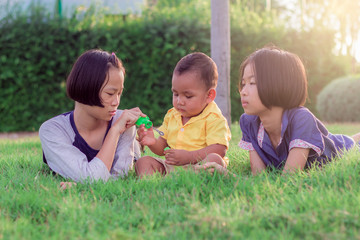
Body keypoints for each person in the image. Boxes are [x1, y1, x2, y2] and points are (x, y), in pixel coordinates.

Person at [196, 46, 360, 176]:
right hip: (332, 138)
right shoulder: (248, 121)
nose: (243, 91)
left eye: (252, 83)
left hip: (341, 148)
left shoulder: (301, 118)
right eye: (243, 83)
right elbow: (259, 178)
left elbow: (289, 177)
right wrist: (226, 175)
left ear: (279, 84)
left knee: (350, 142)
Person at [39, 49, 145, 183]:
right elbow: (93, 178)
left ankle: (136, 148)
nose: (116, 102)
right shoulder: (52, 131)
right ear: (86, 88)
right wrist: (115, 131)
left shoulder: (123, 123)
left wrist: (116, 130)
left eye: (119, 93)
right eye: (110, 94)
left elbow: (120, 178)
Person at [135, 52, 231, 177]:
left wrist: (189, 157)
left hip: (199, 166)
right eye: (175, 94)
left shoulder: (214, 118)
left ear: (209, 95)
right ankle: (153, 187)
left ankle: (192, 182)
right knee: (144, 162)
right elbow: (162, 148)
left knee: (214, 160)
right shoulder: (172, 115)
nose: (179, 101)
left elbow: (219, 149)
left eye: (188, 96)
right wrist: (152, 141)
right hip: (172, 167)